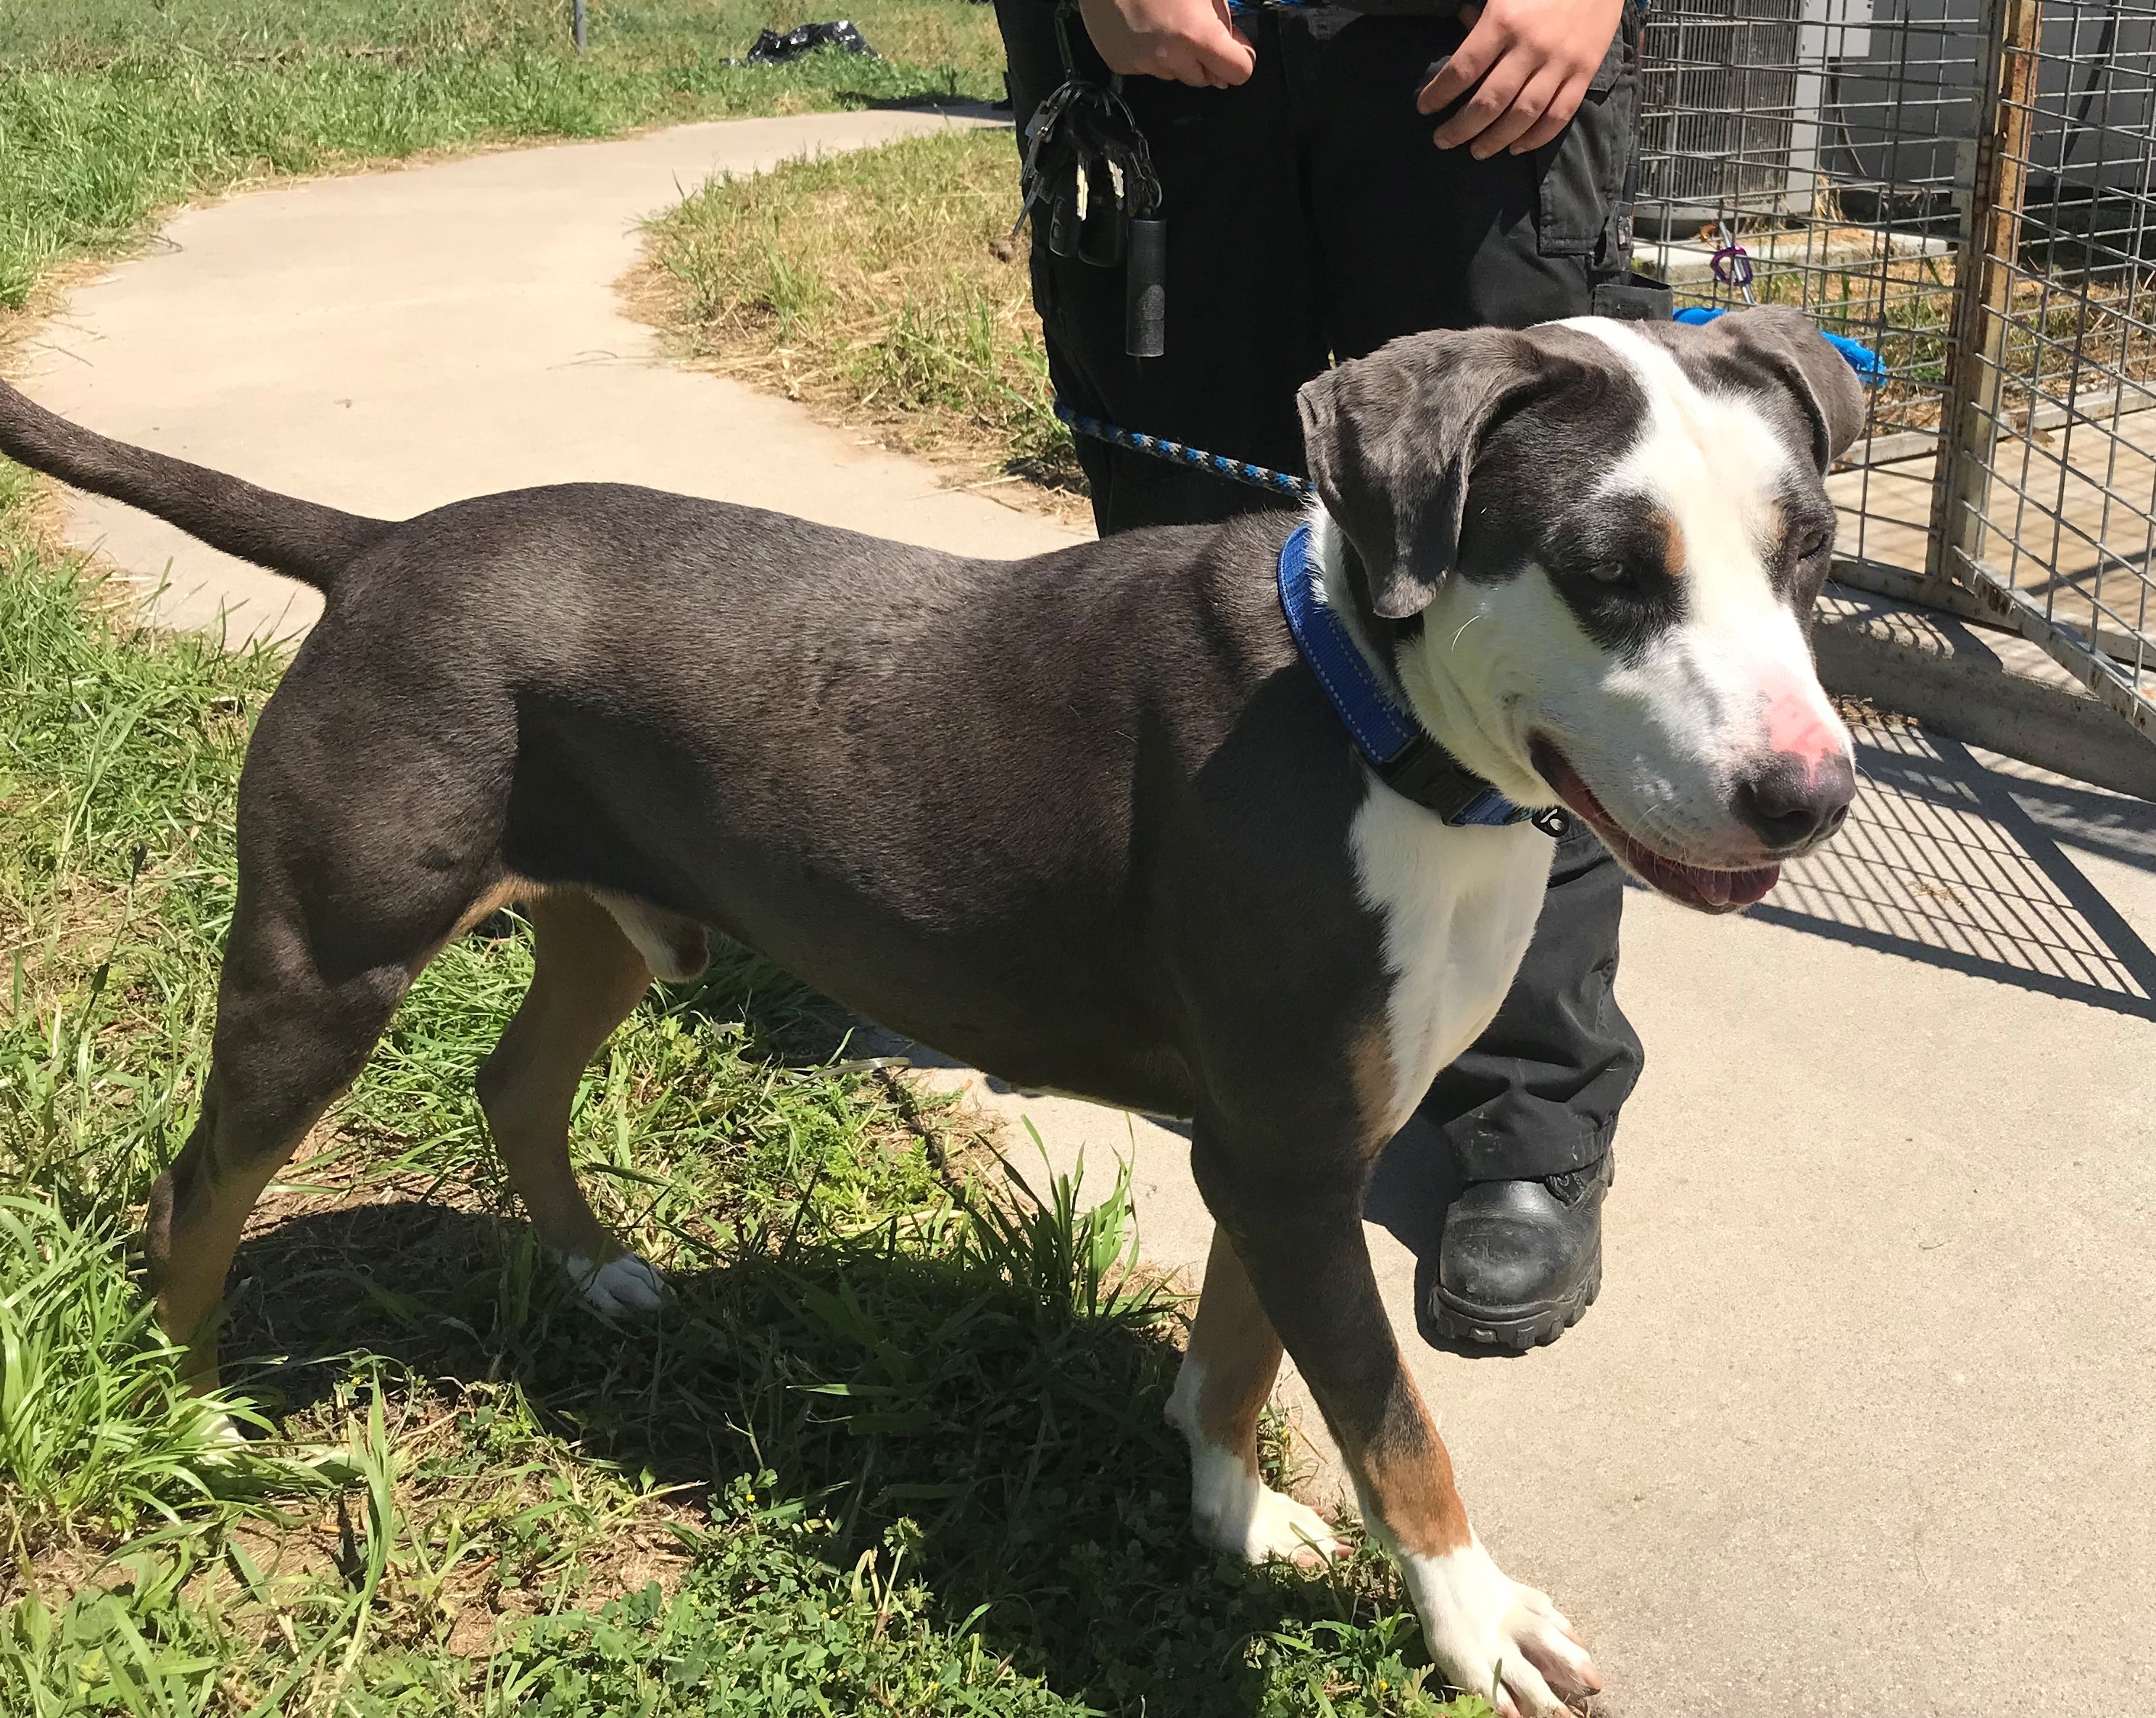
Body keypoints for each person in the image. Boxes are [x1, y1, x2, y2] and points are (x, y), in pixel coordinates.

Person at [992, 0, 1668, 1349]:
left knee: (1532, 603)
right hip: (1164, 59)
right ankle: (1210, 1023)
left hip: (1469, 54)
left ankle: (1523, 1111)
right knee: (1180, 602)